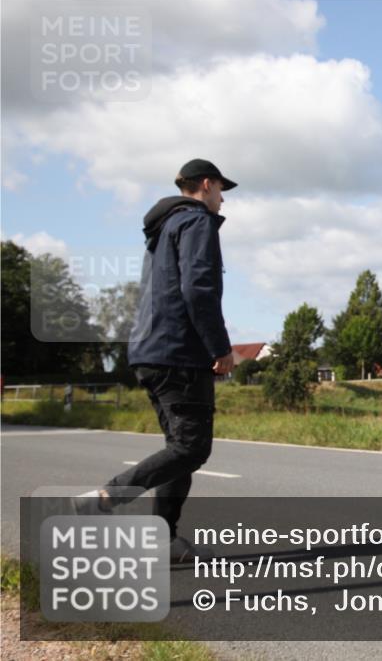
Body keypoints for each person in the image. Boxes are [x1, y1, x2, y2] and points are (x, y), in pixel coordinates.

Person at [75, 159, 236, 562]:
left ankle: (164, 541)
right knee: (192, 449)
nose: (222, 199)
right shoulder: (196, 222)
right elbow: (198, 290)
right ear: (206, 184)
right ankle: (107, 497)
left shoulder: (163, 228)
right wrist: (220, 347)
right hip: (179, 353)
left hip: (151, 351)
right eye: (221, 190)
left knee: (179, 449)